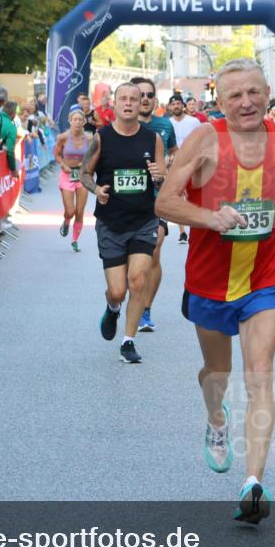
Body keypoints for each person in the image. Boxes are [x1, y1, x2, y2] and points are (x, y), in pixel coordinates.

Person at [155, 58, 275, 524]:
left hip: (263, 276)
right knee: (217, 372)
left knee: (259, 372)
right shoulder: (204, 140)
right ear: (221, 101)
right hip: (209, 279)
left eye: (254, 92)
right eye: (235, 96)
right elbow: (166, 200)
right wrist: (210, 217)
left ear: (269, 91)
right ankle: (216, 419)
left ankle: (253, 482)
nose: (247, 102)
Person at [79, 83, 166, 363]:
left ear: (141, 104)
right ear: (114, 104)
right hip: (111, 222)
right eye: (123, 99)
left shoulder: (153, 140)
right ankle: (112, 307)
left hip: (143, 219)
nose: (128, 103)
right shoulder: (102, 138)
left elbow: (162, 179)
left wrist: (158, 177)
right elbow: (84, 174)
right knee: (118, 290)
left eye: (134, 99)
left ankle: (128, 341)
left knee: (138, 280)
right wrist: (96, 190)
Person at [131, 77, 178, 332]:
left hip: (157, 198)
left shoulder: (164, 124)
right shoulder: (123, 125)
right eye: (141, 94)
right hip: (127, 200)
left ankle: (145, 309)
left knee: (154, 250)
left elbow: (174, 151)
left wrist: (172, 167)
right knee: (132, 261)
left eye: (150, 94)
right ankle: (128, 298)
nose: (146, 98)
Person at [167, 92, 202, 247]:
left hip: (192, 164)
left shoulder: (194, 122)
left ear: (183, 106)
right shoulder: (166, 123)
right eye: (173, 104)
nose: (176, 106)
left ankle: (195, 227)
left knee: (193, 196)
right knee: (179, 195)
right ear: (169, 107)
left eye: (178, 103)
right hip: (174, 165)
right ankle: (182, 232)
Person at [54, 108, 90, 252]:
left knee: (80, 211)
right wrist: (63, 165)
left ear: (84, 122)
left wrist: (86, 164)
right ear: (70, 121)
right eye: (75, 119)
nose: (77, 122)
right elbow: (56, 154)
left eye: (80, 120)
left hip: (83, 176)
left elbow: (94, 155)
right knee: (70, 211)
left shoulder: (89, 137)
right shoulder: (63, 137)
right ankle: (67, 221)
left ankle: (75, 240)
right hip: (67, 175)